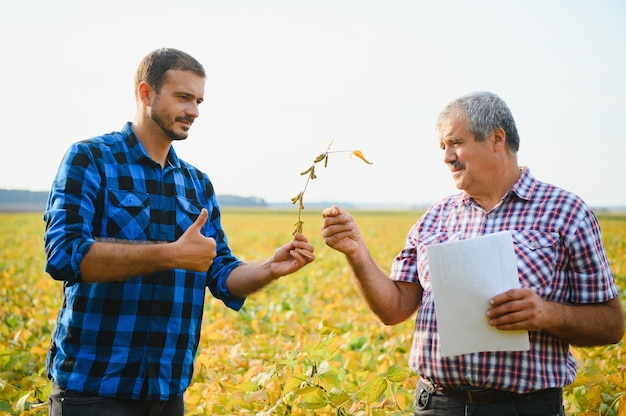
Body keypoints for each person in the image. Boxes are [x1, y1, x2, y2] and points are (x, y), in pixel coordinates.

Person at [43, 48, 315, 416]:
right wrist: (169, 254)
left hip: (168, 392)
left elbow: (221, 273)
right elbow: (64, 255)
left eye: (199, 100)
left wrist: (270, 268)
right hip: (93, 390)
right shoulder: (90, 159)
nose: (194, 111)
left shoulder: (197, 184)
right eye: (183, 97)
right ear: (146, 93)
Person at [321, 91, 624, 415]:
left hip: (525, 408)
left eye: (455, 143)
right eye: (442, 147)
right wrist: (356, 252)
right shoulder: (435, 217)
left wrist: (546, 314)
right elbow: (393, 308)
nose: (447, 156)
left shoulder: (566, 212)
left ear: (496, 139)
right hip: (437, 405)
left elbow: (610, 323)